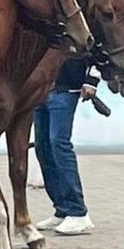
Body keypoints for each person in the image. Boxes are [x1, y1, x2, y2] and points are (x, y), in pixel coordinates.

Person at [33, 59, 99, 235]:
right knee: (42, 147)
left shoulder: (84, 29)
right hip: (42, 89)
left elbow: (99, 51)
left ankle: (78, 212)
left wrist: (92, 81)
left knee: (59, 144)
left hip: (66, 88)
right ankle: (62, 208)